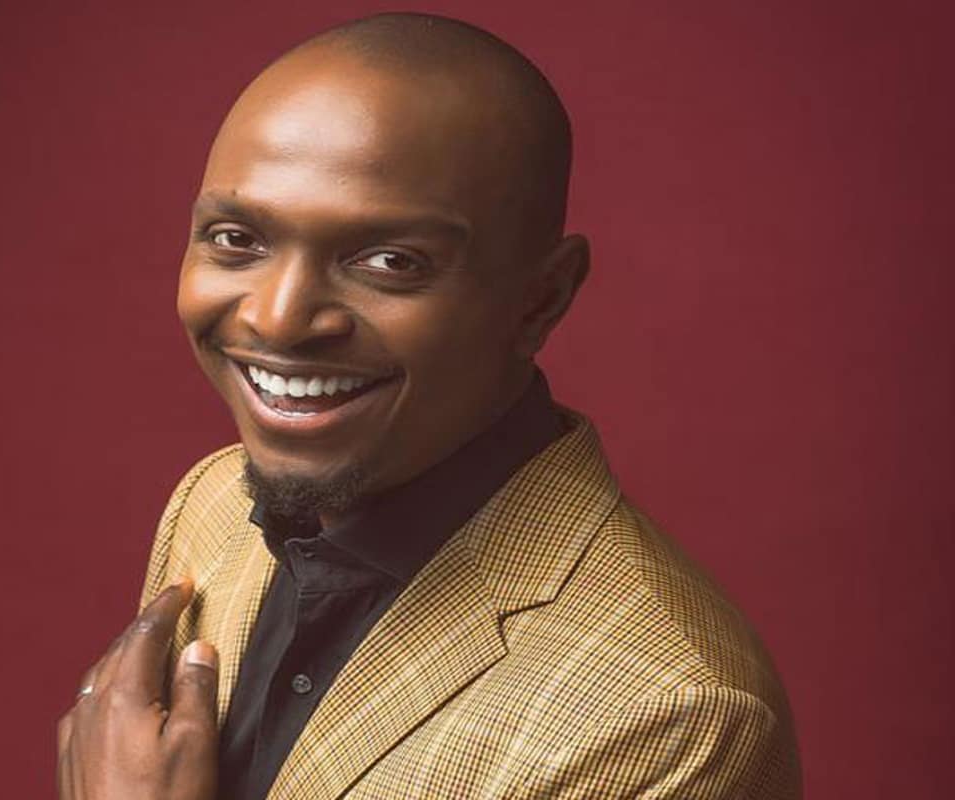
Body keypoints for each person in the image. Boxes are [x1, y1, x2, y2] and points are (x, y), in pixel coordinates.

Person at [57, 12, 801, 800]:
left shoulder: (674, 715)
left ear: (540, 300)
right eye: (238, 239)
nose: (278, 318)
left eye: (390, 261)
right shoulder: (210, 503)